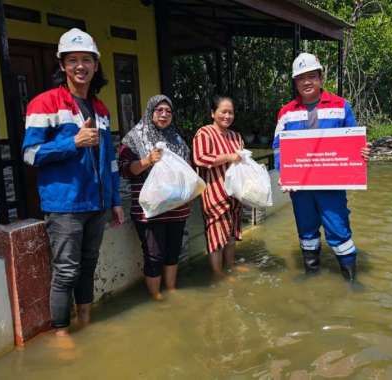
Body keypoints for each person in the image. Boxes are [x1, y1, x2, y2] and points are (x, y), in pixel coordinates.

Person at [22, 28, 124, 340]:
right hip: (65, 205)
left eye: (86, 60)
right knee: (66, 270)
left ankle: (85, 320)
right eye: (73, 60)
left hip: (97, 203)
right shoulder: (45, 104)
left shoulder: (101, 109)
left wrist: (116, 200)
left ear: (96, 65)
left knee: (89, 264)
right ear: (63, 65)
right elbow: (30, 155)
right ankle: (61, 334)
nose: (80, 66)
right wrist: (73, 143)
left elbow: (110, 162)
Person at [272, 53, 370, 285]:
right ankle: (312, 275)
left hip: (331, 185)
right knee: (306, 230)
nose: (306, 82)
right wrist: (284, 173)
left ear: (321, 78)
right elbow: (278, 147)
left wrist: (363, 152)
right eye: (300, 78)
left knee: (338, 229)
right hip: (300, 185)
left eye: (311, 76)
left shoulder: (341, 105)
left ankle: (351, 281)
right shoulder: (286, 112)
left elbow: (354, 142)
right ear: (295, 83)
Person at [119, 95, 191, 300]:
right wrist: (147, 160)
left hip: (176, 207)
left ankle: (171, 288)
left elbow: (186, 168)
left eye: (168, 111)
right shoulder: (133, 138)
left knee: (172, 252)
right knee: (153, 255)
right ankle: (156, 295)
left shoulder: (176, 138)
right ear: (150, 112)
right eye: (159, 110)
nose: (164, 114)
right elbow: (125, 170)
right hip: (149, 210)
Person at [192, 96, 245, 279]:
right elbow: (200, 158)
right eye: (223, 111)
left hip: (235, 194)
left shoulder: (235, 136)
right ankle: (218, 273)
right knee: (216, 237)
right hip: (215, 194)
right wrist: (229, 157)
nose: (227, 116)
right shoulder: (204, 133)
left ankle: (230, 265)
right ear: (213, 113)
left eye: (230, 112)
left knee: (230, 235)